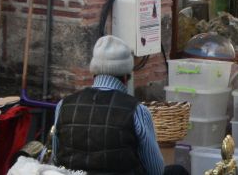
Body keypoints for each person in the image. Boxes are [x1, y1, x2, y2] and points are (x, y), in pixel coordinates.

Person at [52, 35, 166, 175]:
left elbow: (55, 159)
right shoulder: (137, 110)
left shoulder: (63, 105)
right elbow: (155, 170)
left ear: (94, 73)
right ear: (125, 77)